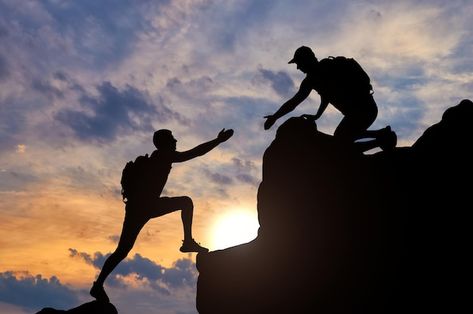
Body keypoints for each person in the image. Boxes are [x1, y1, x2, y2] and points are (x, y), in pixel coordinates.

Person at [90, 128, 234, 302]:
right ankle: (187, 242)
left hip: (140, 207)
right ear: (165, 143)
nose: (176, 141)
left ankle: (98, 285)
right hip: (145, 206)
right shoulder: (163, 156)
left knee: (122, 250)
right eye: (172, 138)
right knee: (185, 202)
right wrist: (218, 141)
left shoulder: (158, 157)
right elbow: (194, 153)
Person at [264, 46, 396, 152]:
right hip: (363, 109)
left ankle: (382, 139)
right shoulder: (320, 72)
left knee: (340, 141)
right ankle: (381, 135)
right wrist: (317, 115)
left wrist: (275, 117)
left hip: (363, 110)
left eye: (298, 63)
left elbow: (295, 102)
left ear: (306, 60)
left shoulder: (317, 75)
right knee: (342, 138)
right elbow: (325, 96)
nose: (298, 67)